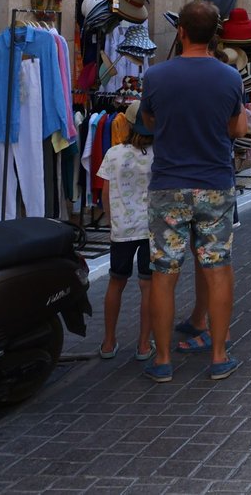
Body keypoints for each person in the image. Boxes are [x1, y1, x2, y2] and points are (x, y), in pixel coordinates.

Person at [140, 0, 251, 382]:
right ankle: (219, 356)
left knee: (164, 271)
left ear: (181, 31)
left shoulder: (156, 77)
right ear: (214, 34)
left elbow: (150, 121)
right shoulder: (230, 78)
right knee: (217, 266)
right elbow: (237, 130)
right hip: (215, 185)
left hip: (168, 185)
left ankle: (163, 360)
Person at [96, 102, 155, 362]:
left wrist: (111, 221)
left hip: (121, 228)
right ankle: (143, 345)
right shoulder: (160, 154)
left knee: (116, 282)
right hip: (150, 228)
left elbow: (106, 192)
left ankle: (108, 342)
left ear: (128, 124)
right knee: (148, 285)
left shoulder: (113, 154)